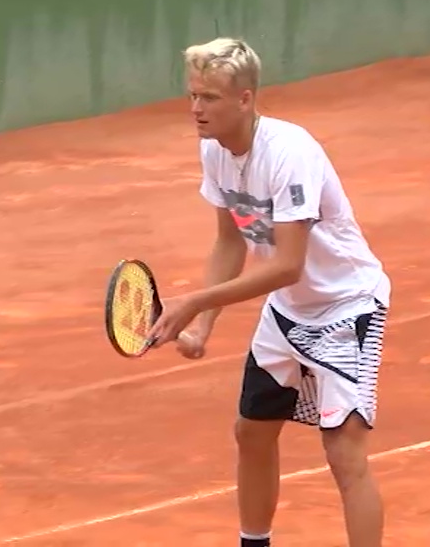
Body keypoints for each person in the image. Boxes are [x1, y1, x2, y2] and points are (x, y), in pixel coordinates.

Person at [147, 37, 391, 547]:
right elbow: (228, 238)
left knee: (344, 454)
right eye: (192, 95)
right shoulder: (214, 150)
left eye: (209, 97)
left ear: (245, 98)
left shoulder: (290, 152)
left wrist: (195, 301)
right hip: (288, 312)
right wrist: (203, 327)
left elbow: (285, 264)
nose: (196, 109)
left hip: (345, 306)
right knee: (251, 432)